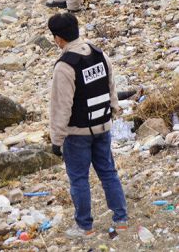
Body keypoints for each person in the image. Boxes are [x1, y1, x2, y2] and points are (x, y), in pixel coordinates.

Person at [47, 12, 127, 238]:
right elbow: (111, 85)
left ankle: (85, 226)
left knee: (79, 179)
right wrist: (113, 109)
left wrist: (56, 140)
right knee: (108, 172)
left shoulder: (65, 66)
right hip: (103, 125)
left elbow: (61, 107)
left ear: (58, 38)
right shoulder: (99, 53)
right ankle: (121, 219)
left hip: (77, 133)